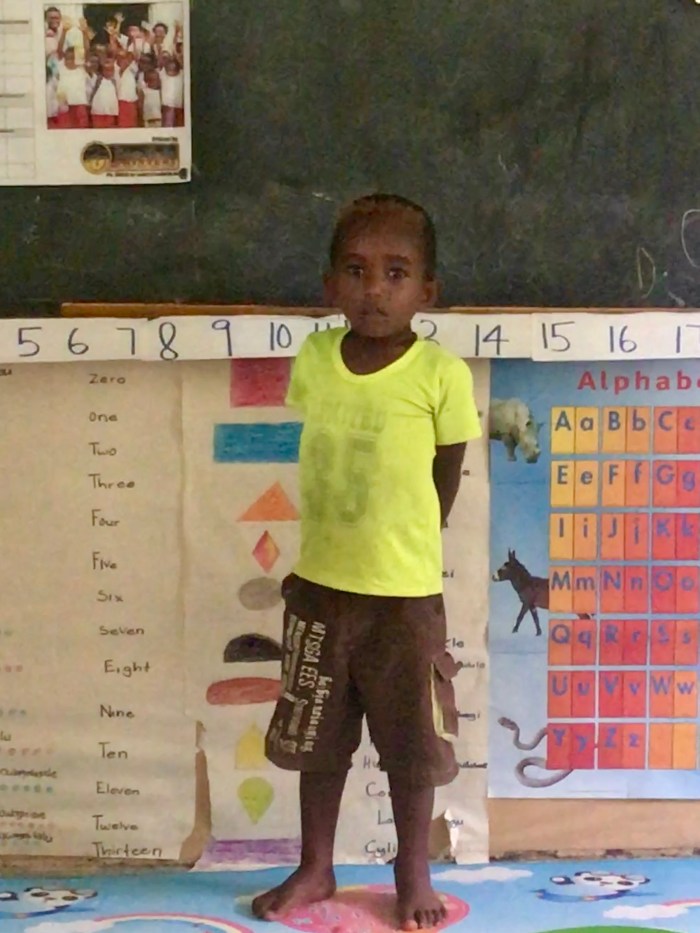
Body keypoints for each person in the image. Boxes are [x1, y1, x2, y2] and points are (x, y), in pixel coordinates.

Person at [252, 194, 482, 931]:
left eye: (396, 272)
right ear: (330, 285)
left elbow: (445, 476)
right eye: (355, 271)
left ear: (427, 290)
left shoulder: (440, 374)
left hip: (403, 598)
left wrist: (406, 545)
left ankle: (411, 873)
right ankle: (316, 865)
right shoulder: (316, 359)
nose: (374, 289)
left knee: (411, 743)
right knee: (317, 738)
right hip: (320, 588)